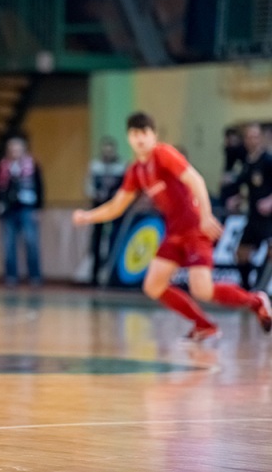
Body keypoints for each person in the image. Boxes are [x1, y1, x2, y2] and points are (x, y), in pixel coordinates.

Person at [73, 112, 271, 343]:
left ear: (153, 135)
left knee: (202, 290)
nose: (140, 138)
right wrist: (87, 217)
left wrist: (205, 215)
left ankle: (256, 301)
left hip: (194, 229)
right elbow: (117, 206)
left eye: (144, 133)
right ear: (129, 138)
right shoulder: (136, 171)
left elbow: (196, 180)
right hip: (174, 233)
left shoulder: (163, 154)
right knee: (153, 286)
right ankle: (204, 325)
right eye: (135, 134)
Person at [224, 123, 272, 290]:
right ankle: (247, 290)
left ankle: (261, 288)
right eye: (249, 137)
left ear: (261, 138)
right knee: (241, 254)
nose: (252, 140)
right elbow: (248, 187)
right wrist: (236, 199)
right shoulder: (247, 163)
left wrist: (270, 201)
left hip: (268, 218)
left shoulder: (267, 160)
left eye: (255, 137)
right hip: (253, 217)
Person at [0, 135, 43, 286]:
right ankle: (11, 275)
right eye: (12, 148)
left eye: (18, 148)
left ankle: (34, 275)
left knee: (31, 242)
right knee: (8, 244)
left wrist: (38, 208)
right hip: (9, 210)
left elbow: (40, 186)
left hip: (27, 208)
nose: (15, 151)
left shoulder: (32, 165)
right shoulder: (3, 166)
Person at [84, 136, 126, 286]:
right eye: (105, 150)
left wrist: (116, 197)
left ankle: (112, 274)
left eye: (110, 150)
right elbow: (88, 186)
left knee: (115, 238)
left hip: (116, 208)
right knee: (96, 241)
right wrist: (96, 194)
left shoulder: (121, 167)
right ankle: (94, 275)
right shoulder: (95, 166)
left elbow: (125, 188)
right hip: (98, 206)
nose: (108, 153)